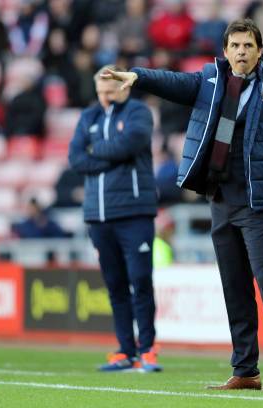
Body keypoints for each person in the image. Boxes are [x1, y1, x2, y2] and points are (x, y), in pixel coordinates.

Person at [103, 18, 263, 390]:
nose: (242, 52)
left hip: (259, 201)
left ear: (260, 51)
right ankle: (246, 370)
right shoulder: (211, 83)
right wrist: (138, 76)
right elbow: (173, 82)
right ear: (226, 51)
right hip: (221, 198)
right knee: (234, 285)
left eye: (249, 46)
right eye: (235, 46)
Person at [68, 64, 160, 373]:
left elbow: (129, 144)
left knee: (140, 281)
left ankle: (147, 349)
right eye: (100, 93)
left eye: (110, 92)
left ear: (124, 87)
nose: (105, 99)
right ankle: (125, 350)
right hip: (98, 216)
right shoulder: (89, 116)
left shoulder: (139, 113)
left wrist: (97, 151)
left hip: (134, 212)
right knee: (116, 285)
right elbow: (76, 159)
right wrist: (108, 157)